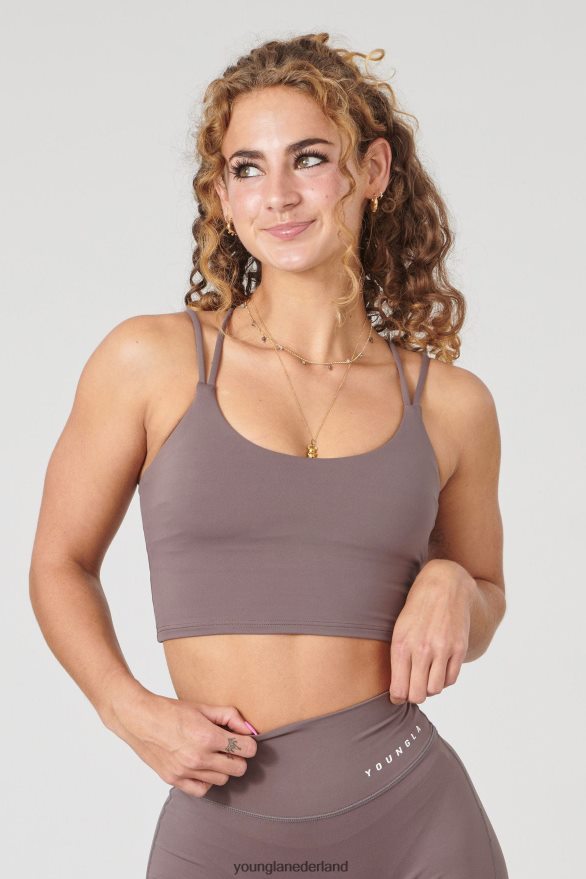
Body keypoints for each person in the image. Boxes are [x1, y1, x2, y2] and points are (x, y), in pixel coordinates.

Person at [29, 32, 509, 878]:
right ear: (222, 195)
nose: (278, 195)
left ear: (372, 170)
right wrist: (126, 708)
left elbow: (486, 600)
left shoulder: (451, 405)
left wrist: (454, 583)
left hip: (417, 825)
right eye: (247, 168)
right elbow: (58, 563)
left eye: (310, 159)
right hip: (222, 829)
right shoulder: (151, 362)